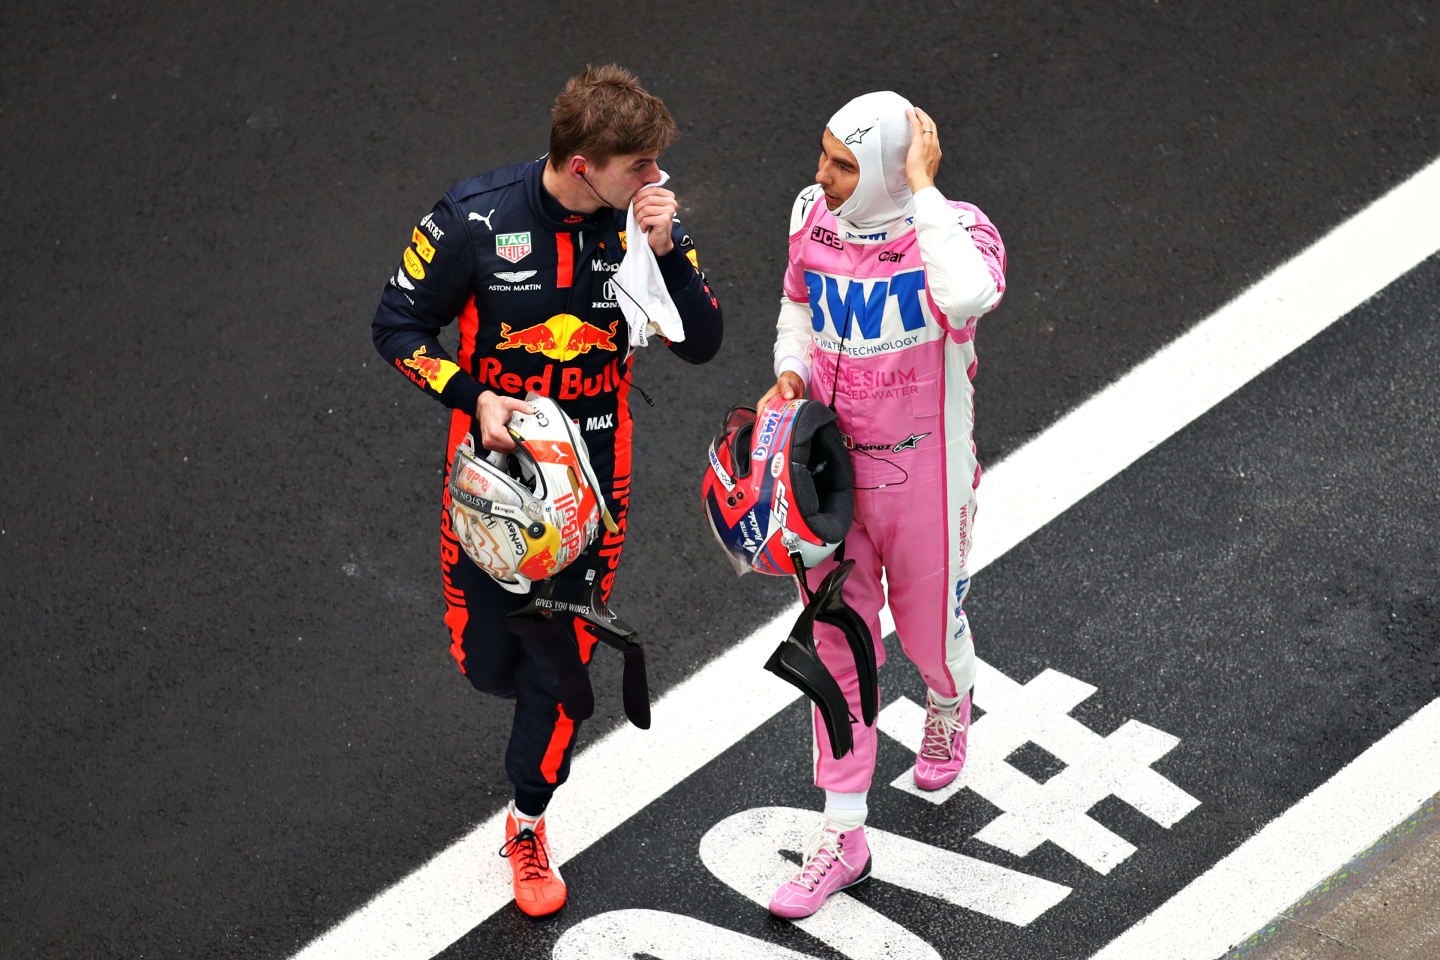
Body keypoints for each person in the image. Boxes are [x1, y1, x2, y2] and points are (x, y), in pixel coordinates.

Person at [371, 64, 722, 917]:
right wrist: (471, 396)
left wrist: (670, 254)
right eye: (638, 165)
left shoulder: (648, 225)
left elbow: (703, 342)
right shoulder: (474, 219)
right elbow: (396, 327)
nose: (656, 180)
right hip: (490, 486)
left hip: (595, 488)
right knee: (486, 663)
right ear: (581, 164)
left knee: (561, 676)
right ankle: (522, 695)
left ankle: (528, 820)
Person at [756, 91, 1007, 918]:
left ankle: (947, 697)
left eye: (843, 163)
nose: (821, 176)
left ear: (895, 169)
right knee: (836, 645)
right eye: (824, 155)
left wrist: (923, 193)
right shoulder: (809, 216)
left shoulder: (959, 230)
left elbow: (968, 297)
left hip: (927, 478)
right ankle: (844, 833)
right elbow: (797, 300)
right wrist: (792, 366)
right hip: (829, 477)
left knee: (932, 637)